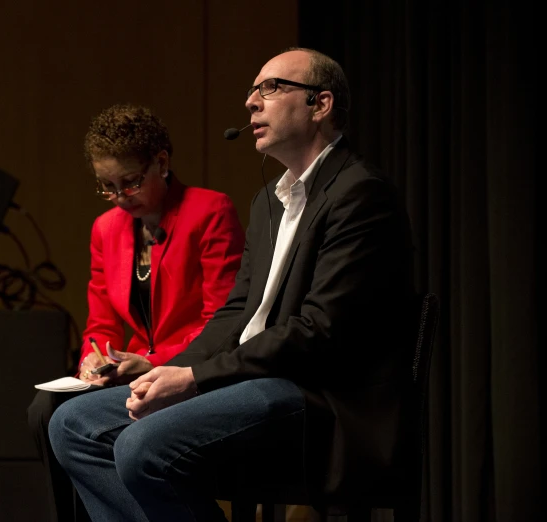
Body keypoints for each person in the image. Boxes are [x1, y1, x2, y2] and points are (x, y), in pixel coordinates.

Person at [48, 48, 417, 521]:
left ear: (320, 104)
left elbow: (318, 332)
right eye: (252, 90)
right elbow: (234, 314)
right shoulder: (269, 201)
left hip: (319, 395)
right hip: (254, 379)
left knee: (142, 445)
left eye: (272, 87)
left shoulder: (361, 194)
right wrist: (169, 371)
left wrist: (195, 378)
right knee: (72, 424)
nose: (251, 103)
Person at [28, 103, 245, 522]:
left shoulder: (209, 211)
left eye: (129, 182)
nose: (118, 197)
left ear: (161, 163)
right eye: (105, 186)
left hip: (185, 368)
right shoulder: (106, 228)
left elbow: (221, 318)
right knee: (44, 409)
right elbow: (101, 322)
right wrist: (94, 358)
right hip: (129, 368)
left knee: (66, 419)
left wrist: (154, 362)